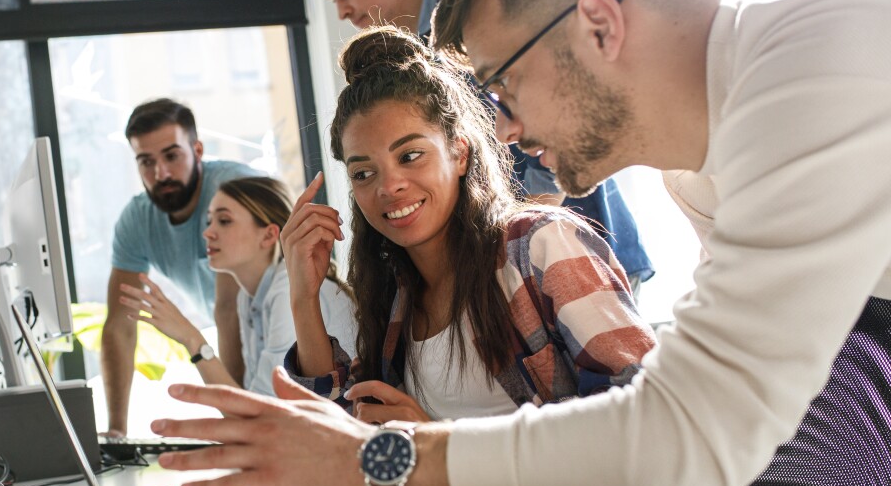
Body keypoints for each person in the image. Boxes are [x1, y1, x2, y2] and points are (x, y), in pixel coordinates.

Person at [150, 0, 891, 486]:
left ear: (598, 26)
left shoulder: (817, 56)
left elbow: (686, 434)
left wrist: (372, 458)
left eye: (502, 85)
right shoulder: (696, 172)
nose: (500, 127)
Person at [280, 26, 654, 424]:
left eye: (409, 156)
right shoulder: (395, 295)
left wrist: (437, 444)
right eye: (363, 173)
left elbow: (643, 413)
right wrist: (304, 296)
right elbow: (341, 432)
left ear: (459, 153)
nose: (389, 186)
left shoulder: (539, 245)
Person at [309, 0, 654, 294]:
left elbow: (559, 124)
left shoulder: (474, 20)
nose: (341, 10)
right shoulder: (418, 53)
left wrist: (517, 247)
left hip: (566, 251)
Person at [101, 98, 260, 435]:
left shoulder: (230, 192)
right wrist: (117, 432)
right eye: (146, 162)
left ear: (198, 149)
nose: (161, 174)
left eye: (172, 156)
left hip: (280, 337)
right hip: (235, 343)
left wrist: (237, 423)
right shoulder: (137, 220)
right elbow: (119, 326)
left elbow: (228, 311)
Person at [118, 176, 357, 397]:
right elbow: (254, 403)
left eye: (224, 221)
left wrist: (191, 339)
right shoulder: (248, 298)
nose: (208, 232)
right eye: (209, 221)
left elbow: (262, 415)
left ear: (268, 235)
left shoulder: (286, 290)